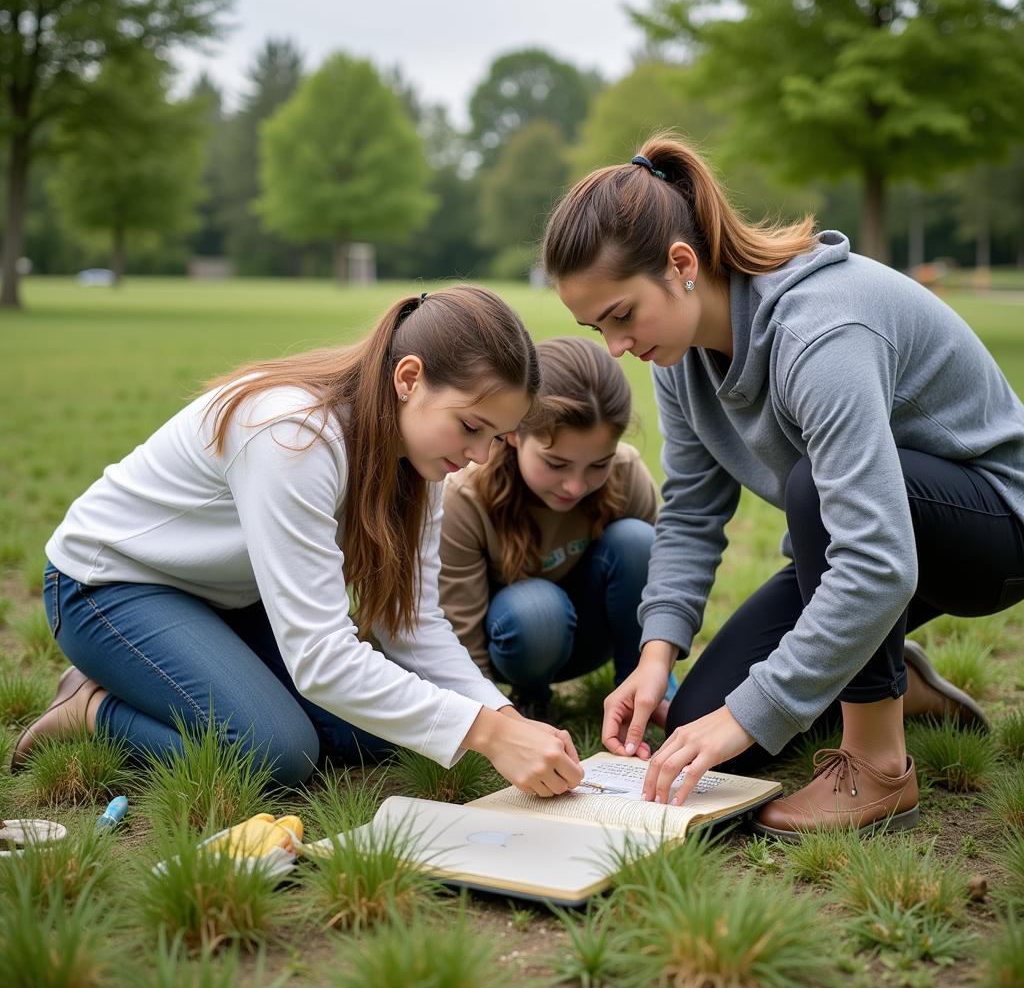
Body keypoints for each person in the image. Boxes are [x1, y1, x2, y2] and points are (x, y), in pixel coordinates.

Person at [541, 136, 1024, 838]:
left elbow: (877, 562)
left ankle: (878, 764)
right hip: (872, 537)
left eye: (621, 315)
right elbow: (691, 513)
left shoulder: (820, 332)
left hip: (994, 528)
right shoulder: (676, 356)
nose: (614, 346)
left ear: (681, 264)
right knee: (703, 719)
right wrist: (655, 659)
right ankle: (893, 678)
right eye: (596, 327)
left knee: (809, 498)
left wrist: (750, 712)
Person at [16, 286, 585, 797]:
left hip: (228, 599)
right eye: (470, 427)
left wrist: (504, 719)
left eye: (495, 437)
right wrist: (487, 733)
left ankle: (196, 677)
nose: (480, 456)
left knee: (395, 732)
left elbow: (412, 624)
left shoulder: (422, 461)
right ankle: (93, 708)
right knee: (276, 753)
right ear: (409, 379)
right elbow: (320, 658)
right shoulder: (292, 434)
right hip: (110, 588)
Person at [439, 335, 670, 724]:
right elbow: (459, 631)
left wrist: (659, 670)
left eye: (598, 464)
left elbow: (660, 581)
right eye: (556, 464)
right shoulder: (466, 494)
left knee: (638, 541)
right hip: (517, 642)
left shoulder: (626, 472)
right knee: (538, 607)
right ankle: (531, 698)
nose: (576, 486)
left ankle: (639, 691)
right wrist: (493, 721)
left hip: (590, 636)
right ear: (513, 433)